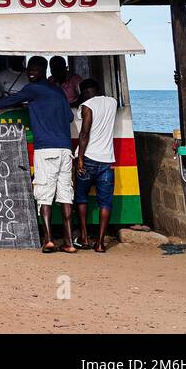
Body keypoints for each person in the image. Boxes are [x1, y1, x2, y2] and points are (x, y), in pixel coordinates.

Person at [0, 56, 78, 253]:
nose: (30, 73)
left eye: (35, 70)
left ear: (44, 70)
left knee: (44, 195)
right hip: (65, 150)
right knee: (65, 196)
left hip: (46, 149)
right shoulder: (57, 91)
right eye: (29, 69)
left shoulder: (33, 89)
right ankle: (69, 242)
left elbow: (10, 100)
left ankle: (48, 240)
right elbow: (70, 116)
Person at [72, 78, 118, 252]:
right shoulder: (112, 102)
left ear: (83, 92)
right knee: (105, 203)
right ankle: (100, 243)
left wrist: (81, 158)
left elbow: (84, 133)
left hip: (89, 157)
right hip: (107, 161)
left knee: (81, 197)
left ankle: (84, 237)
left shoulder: (87, 106)